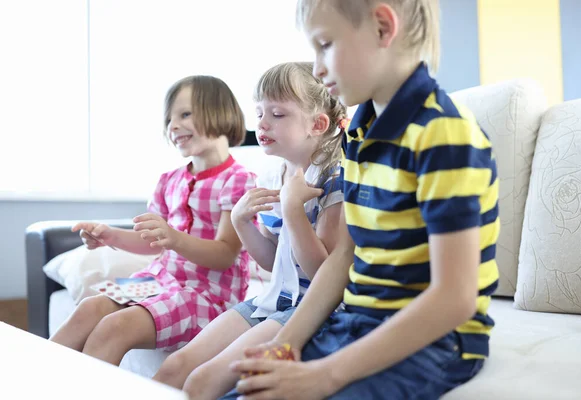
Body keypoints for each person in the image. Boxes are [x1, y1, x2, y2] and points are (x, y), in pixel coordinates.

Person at [225, 1, 500, 399]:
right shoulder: (359, 132)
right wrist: (287, 341)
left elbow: (454, 299)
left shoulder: (443, 133)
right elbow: (344, 257)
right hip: (355, 321)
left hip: (435, 342)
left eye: (325, 44)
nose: (318, 68)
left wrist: (326, 375)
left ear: (382, 28)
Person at [152, 61, 348, 400]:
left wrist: (292, 209)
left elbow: (323, 272)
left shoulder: (333, 180)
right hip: (271, 300)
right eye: (259, 112)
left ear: (317, 124)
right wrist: (242, 222)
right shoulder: (274, 176)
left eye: (277, 114)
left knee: (203, 381)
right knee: (175, 368)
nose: (262, 123)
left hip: (311, 309)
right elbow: (272, 263)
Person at [49, 75, 256, 365]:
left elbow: (224, 254)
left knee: (114, 327)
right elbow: (152, 243)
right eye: (169, 120)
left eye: (185, 114)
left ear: (220, 112)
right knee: (88, 308)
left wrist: (174, 237)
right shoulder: (169, 180)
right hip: (160, 280)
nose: (173, 126)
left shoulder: (238, 181)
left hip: (208, 296)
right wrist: (109, 235)